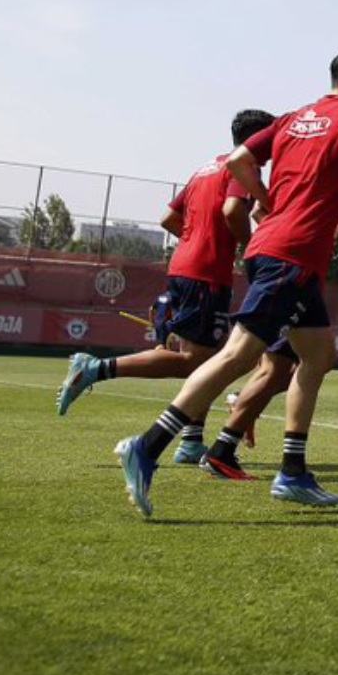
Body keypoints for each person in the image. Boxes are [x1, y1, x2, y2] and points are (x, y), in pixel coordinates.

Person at [114, 48, 338, 516]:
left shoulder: (292, 118)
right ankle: (147, 446)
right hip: (293, 256)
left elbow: (239, 161)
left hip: (277, 249)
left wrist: (269, 203)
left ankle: (293, 472)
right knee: (238, 355)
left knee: (319, 355)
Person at [57, 109, 276, 465]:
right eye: (271, 137)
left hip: (185, 266)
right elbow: (234, 210)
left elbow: (168, 218)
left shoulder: (206, 168)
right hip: (205, 273)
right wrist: (249, 249)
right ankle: (96, 369)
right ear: (257, 139)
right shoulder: (244, 167)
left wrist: (196, 243)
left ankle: (191, 442)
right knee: (197, 362)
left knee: (209, 358)